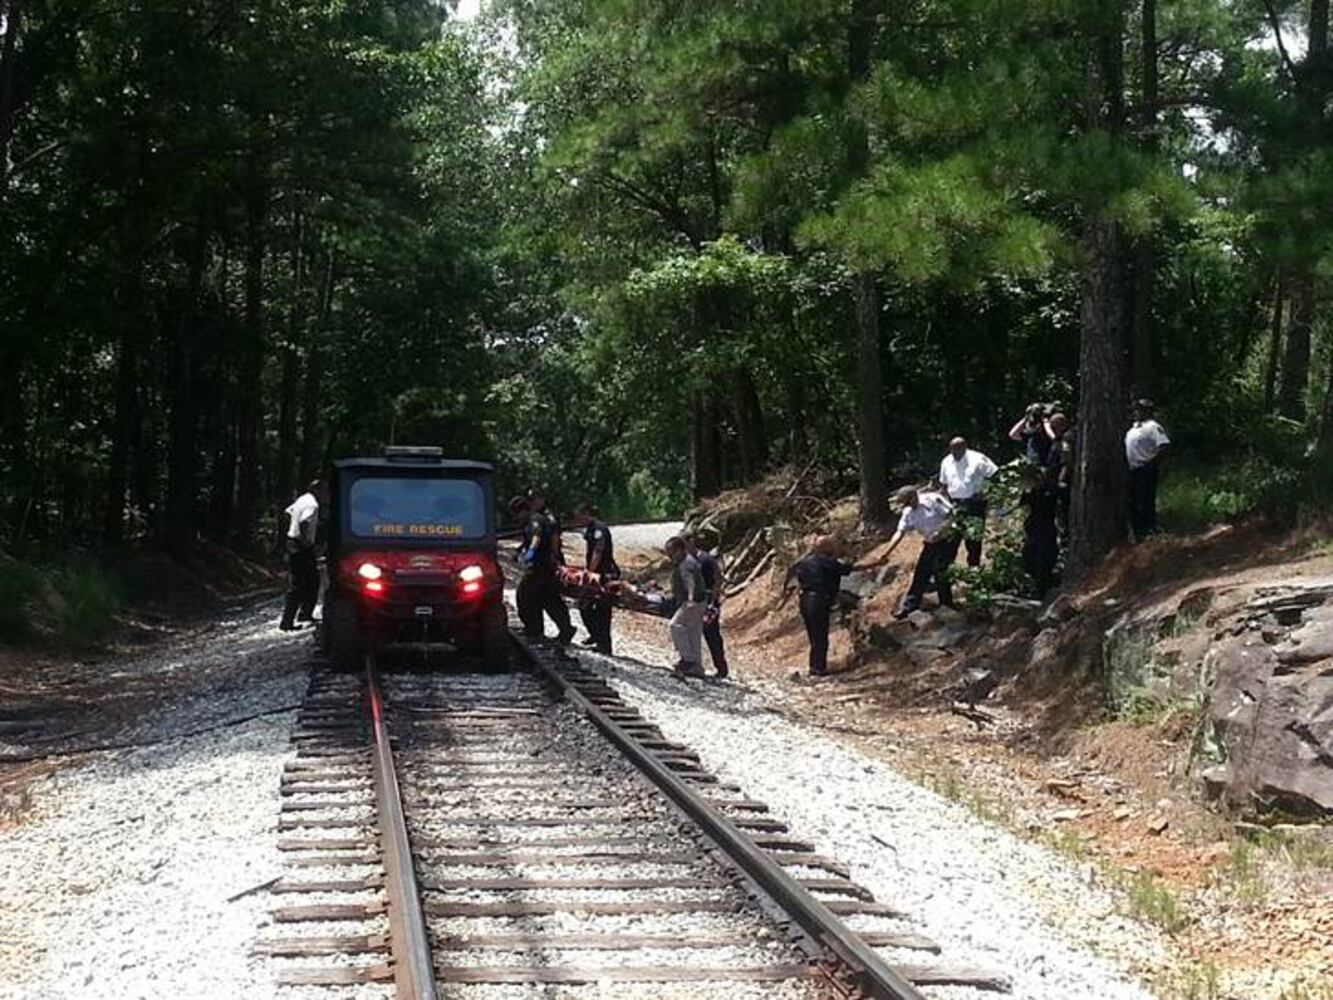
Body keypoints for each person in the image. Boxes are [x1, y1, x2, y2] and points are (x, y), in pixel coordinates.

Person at [883, 486, 957, 619]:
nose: (905, 506)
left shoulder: (933, 499)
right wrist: (887, 552)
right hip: (930, 543)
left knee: (941, 571)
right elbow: (900, 532)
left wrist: (941, 531)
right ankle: (909, 606)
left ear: (913, 497)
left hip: (947, 540)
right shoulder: (908, 512)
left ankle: (946, 604)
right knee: (921, 572)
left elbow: (952, 515)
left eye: (906, 502)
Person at [516, 488, 575, 646]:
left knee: (529, 596)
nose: (532, 503)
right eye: (530, 500)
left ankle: (539, 630)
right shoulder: (541, 516)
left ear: (541, 500)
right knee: (548, 598)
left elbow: (547, 537)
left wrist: (551, 556)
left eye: (534, 500)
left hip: (544, 563)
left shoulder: (542, 517)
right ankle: (558, 629)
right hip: (544, 563)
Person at [790, 535, 856, 677]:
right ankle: (819, 669)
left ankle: (814, 667)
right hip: (818, 600)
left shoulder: (805, 562)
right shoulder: (825, 562)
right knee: (820, 635)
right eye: (831, 545)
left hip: (804, 600)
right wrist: (875, 564)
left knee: (813, 635)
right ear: (824, 547)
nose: (834, 547)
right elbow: (846, 569)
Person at [938, 437, 998, 567]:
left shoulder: (978, 459)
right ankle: (948, 572)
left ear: (964, 447)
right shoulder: (946, 461)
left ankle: (974, 569)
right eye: (951, 449)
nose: (954, 452)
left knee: (973, 540)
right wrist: (943, 502)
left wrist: (986, 492)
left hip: (975, 504)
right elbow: (943, 484)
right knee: (951, 539)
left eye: (957, 449)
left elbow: (996, 476)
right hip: (954, 505)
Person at [280, 479, 327, 631]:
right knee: (303, 583)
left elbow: (288, 511)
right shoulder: (313, 505)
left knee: (307, 581)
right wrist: (306, 540)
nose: (325, 495)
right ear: (317, 490)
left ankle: (303, 614)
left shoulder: (302, 499)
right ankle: (288, 621)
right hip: (301, 546)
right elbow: (305, 521)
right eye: (324, 491)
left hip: (292, 542)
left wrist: (292, 529)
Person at [1126, 399, 1171, 540]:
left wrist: (1152, 463)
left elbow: (1163, 446)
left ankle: (1149, 528)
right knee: (1134, 500)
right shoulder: (1133, 428)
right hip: (1133, 468)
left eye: (1140, 409)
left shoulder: (1153, 427)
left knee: (1145, 499)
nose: (1137, 412)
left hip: (1146, 467)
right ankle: (1138, 531)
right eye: (1136, 409)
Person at [577, 504, 618, 654]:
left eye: (580, 515)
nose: (578, 519)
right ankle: (596, 636)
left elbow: (598, 552)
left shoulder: (599, 529)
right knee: (585, 605)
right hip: (597, 573)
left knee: (602, 609)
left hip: (604, 574)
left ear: (587, 513)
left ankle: (604, 644)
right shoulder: (591, 529)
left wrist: (589, 572)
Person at [687, 530, 728, 679]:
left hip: (708, 600)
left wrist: (713, 602)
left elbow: (718, 579)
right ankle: (692, 665)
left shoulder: (706, 559)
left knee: (712, 635)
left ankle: (721, 667)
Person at [665, 535, 707, 678]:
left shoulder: (686, 563)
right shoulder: (685, 561)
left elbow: (690, 582)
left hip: (693, 603)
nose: (670, 555)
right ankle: (697, 668)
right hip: (700, 602)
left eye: (672, 552)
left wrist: (690, 599)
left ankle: (688, 660)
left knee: (675, 626)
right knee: (693, 633)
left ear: (681, 549)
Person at [1018, 465, 1059, 600]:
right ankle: (1034, 587)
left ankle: (1042, 592)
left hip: (1046, 530)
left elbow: (1049, 504)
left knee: (1044, 562)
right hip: (1033, 531)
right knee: (1028, 559)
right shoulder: (1030, 492)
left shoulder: (1050, 490)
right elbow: (1021, 506)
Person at [1044, 412, 1074, 544]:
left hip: (1062, 483)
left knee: (1063, 510)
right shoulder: (1060, 438)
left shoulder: (1067, 438)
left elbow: (1066, 461)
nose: (1053, 430)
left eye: (1054, 427)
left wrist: (1061, 480)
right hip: (1055, 480)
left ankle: (1065, 538)